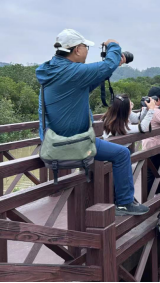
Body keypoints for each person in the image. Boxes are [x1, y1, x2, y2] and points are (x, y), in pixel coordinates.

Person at [36, 29, 149, 216]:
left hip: (53, 143)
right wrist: (113, 46)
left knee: (118, 153)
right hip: (75, 143)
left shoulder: (53, 70)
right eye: (86, 47)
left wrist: (108, 69)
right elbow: (105, 66)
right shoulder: (71, 70)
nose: (87, 51)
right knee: (121, 154)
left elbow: (83, 88)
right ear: (77, 49)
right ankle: (124, 202)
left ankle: (121, 201)